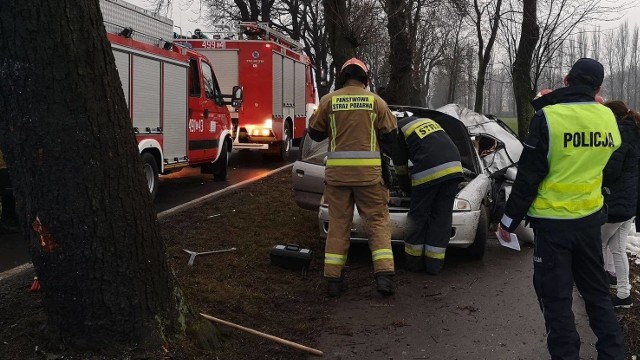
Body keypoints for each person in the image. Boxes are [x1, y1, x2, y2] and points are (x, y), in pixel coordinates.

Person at [497, 58, 625, 359]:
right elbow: (612, 169)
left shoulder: (548, 117)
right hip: (590, 223)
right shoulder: (608, 118)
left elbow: (528, 177)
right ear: (598, 87)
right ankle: (614, 353)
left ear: (566, 81)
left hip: (553, 227)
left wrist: (508, 220)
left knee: (556, 303)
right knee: (597, 297)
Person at [308, 58, 397, 297]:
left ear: (342, 77)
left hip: (337, 177)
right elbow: (391, 137)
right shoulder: (375, 102)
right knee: (377, 223)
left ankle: (334, 282)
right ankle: (384, 279)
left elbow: (314, 134)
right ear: (366, 79)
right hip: (369, 177)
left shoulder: (329, 101)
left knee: (338, 226)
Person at [392, 116, 463, 274]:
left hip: (428, 170)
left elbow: (400, 166)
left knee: (418, 216)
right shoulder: (426, 121)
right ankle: (434, 266)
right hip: (454, 168)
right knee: (442, 217)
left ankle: (414, 264)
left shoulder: (396, 131)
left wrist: (406, 187)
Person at [601, 100, 640, 309]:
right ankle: (624, 294)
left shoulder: (621, 133)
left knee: (596, 245)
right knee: (617, 248)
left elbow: (612, 171)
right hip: (629, 203)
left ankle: (596, 292)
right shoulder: (635, 130)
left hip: (615, 202)